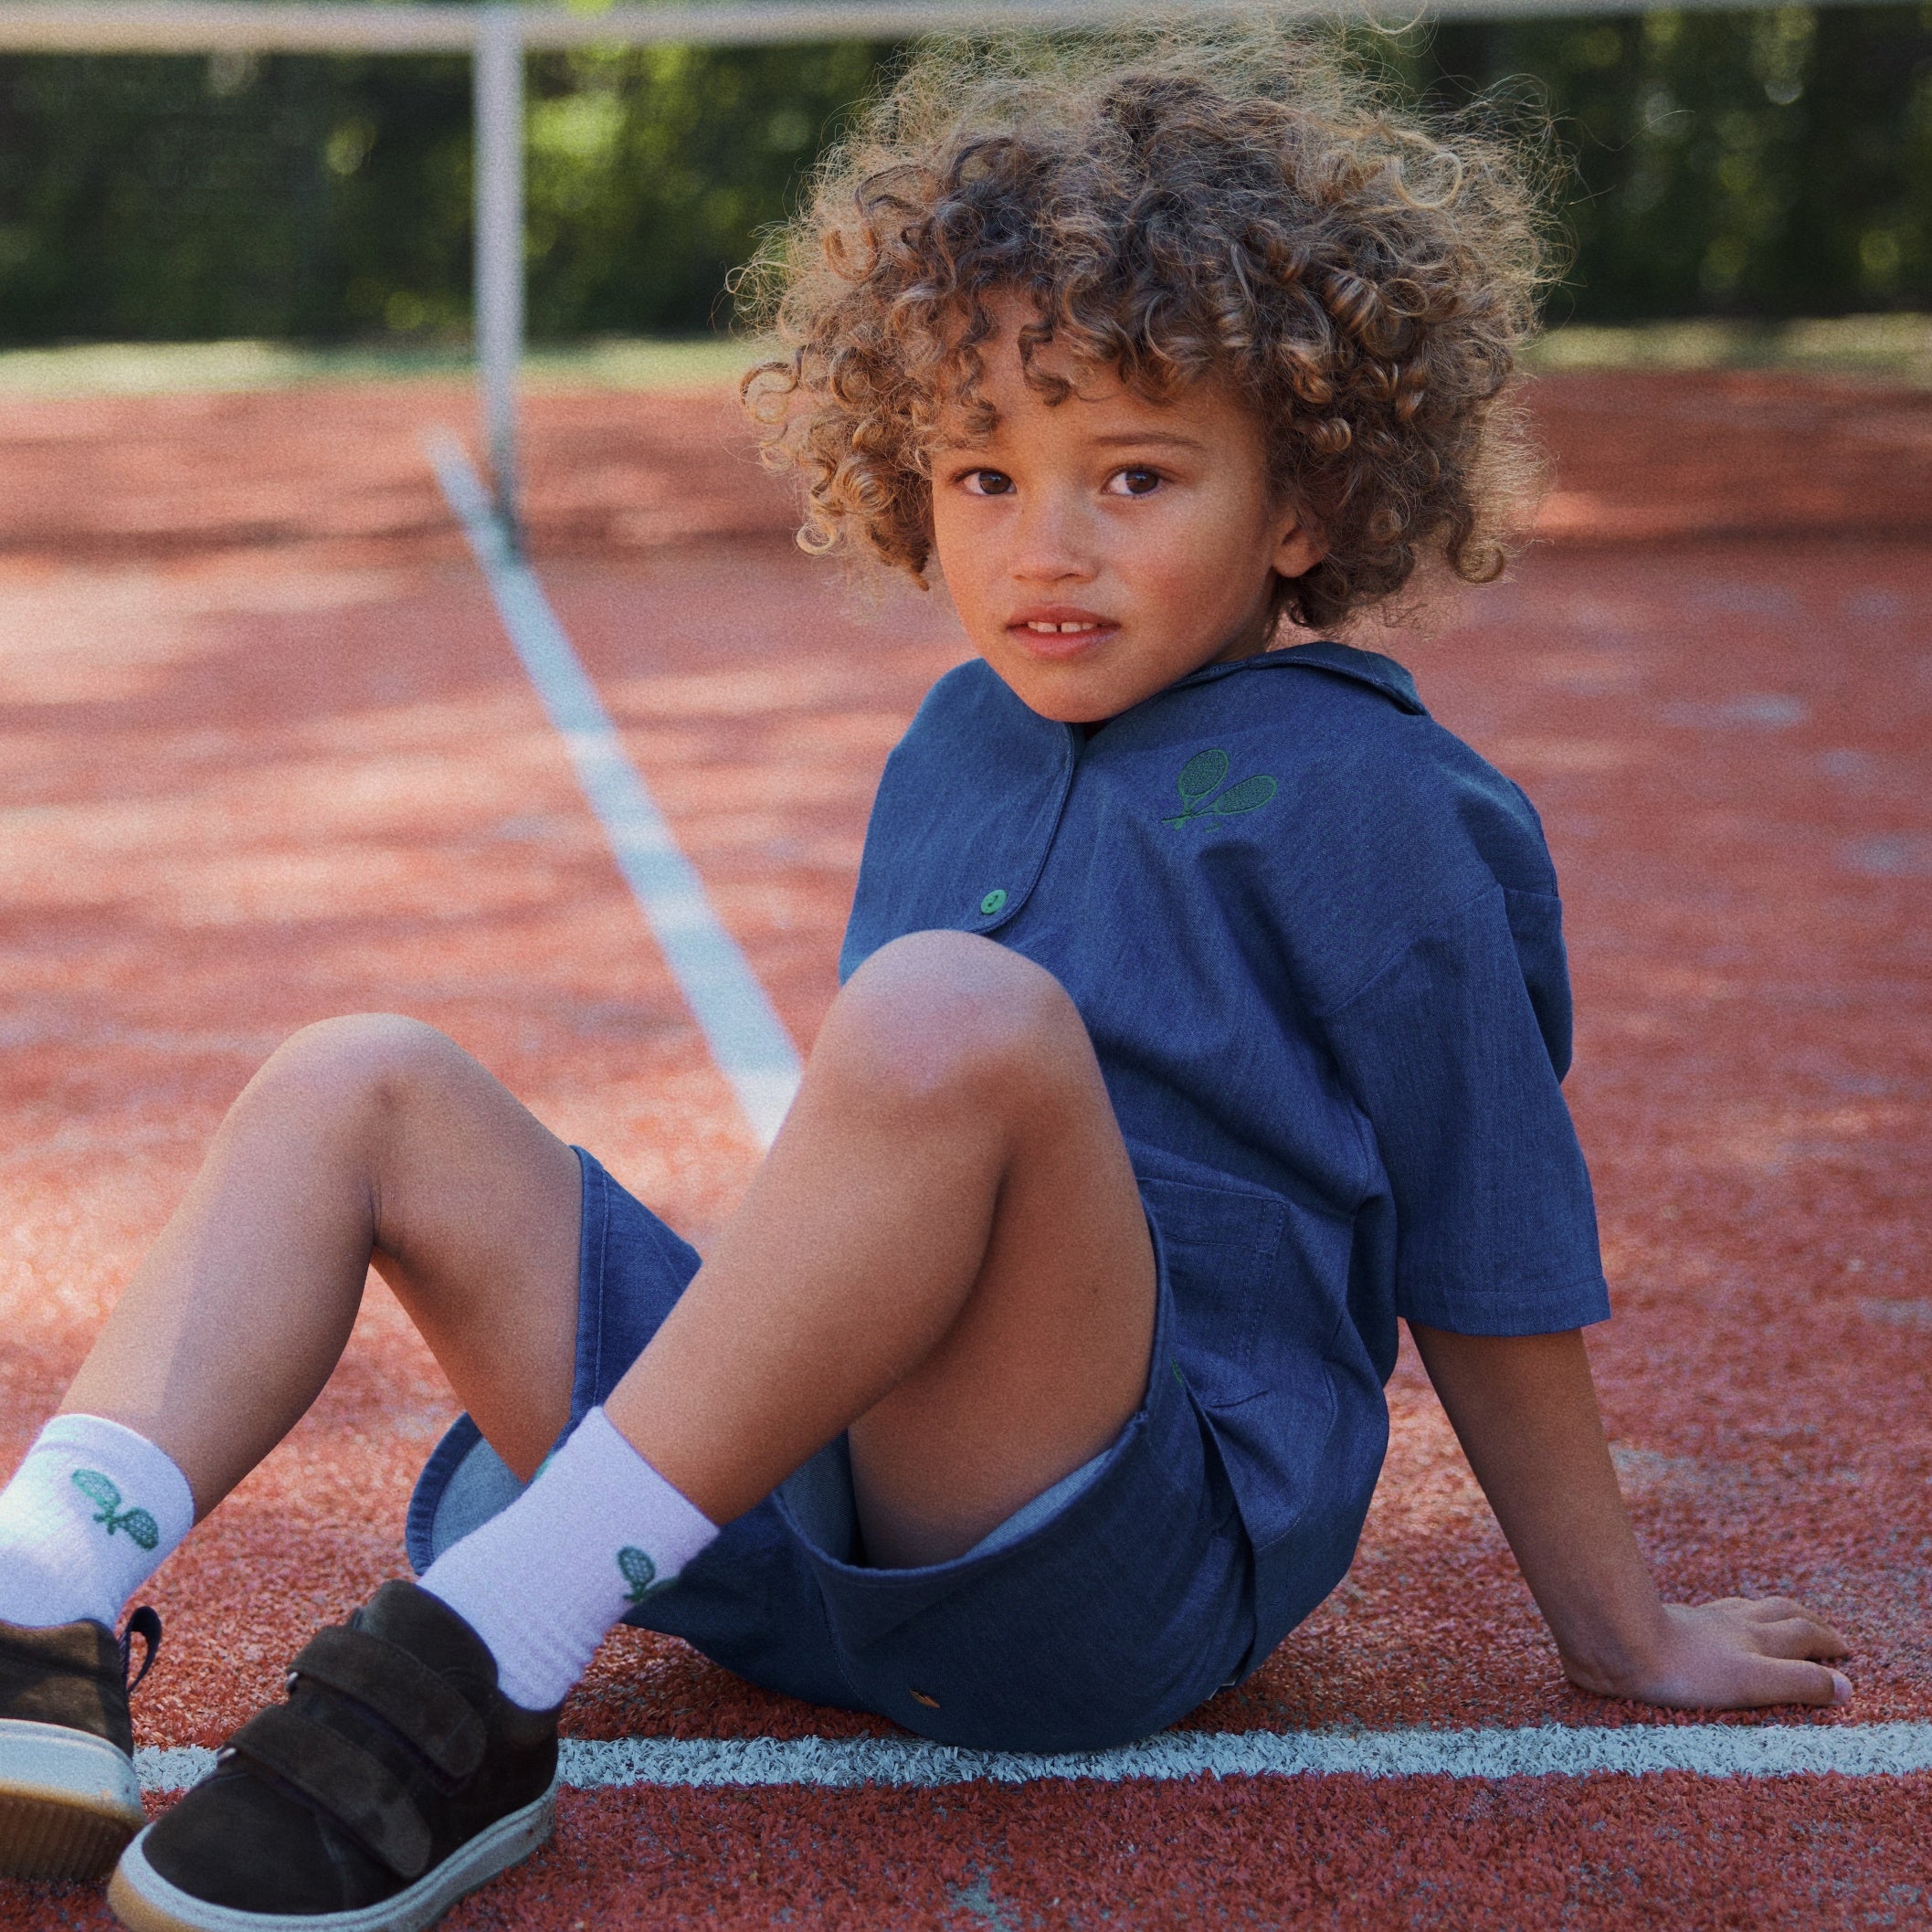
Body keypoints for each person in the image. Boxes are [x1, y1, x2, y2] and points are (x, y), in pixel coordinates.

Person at [0, 29, 1850, 1932]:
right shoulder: (955, 742)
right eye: (981, 472)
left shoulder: (1385, 802)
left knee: (946, 1010)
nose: (1042, 545)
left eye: (1132, 473)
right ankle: (34, 1595)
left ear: (1300, 503)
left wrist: (1614, 1624)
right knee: (357, 1073)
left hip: (1097, 1559)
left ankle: (476, 1662)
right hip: (790, 1518)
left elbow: (1486, 1234)